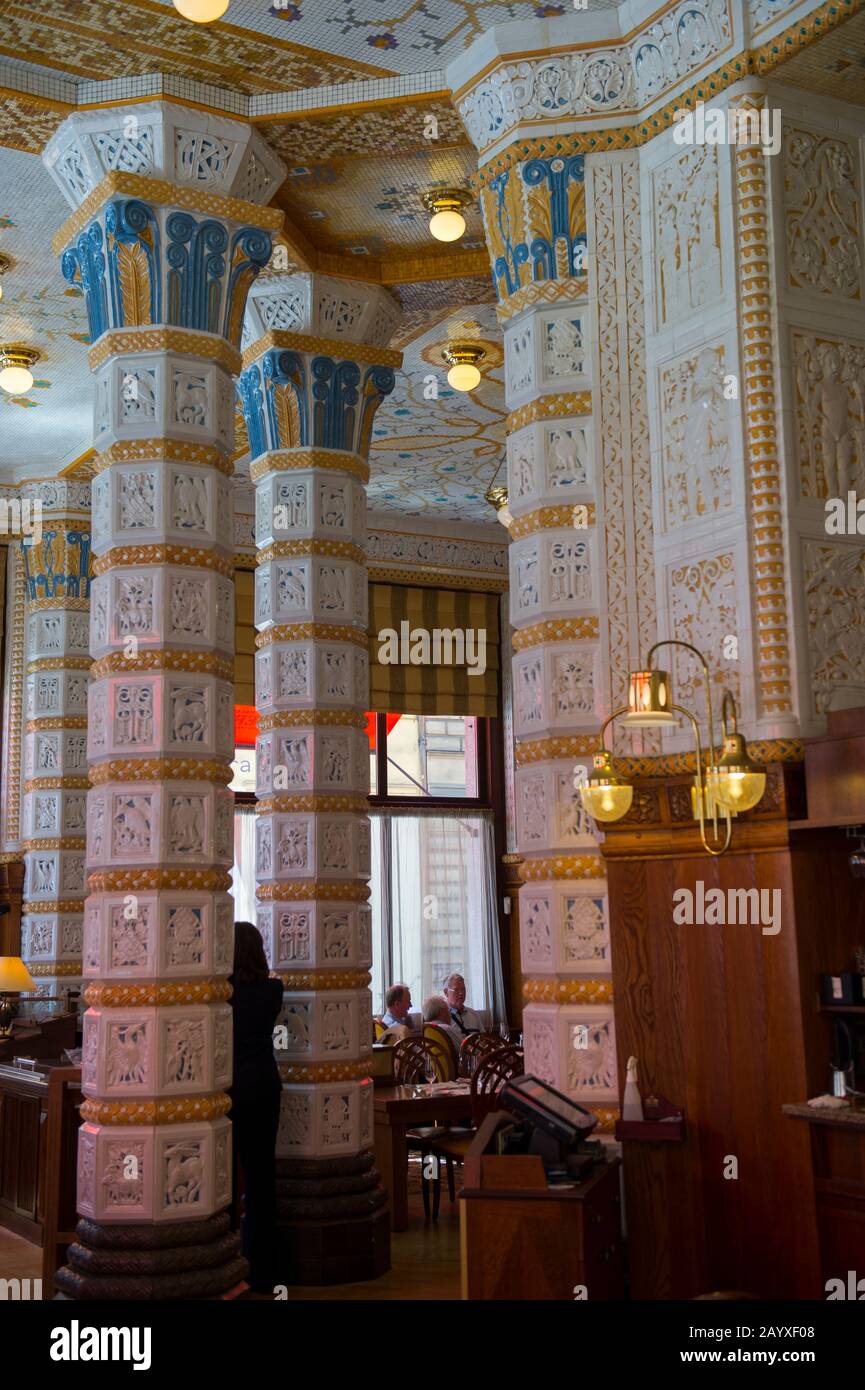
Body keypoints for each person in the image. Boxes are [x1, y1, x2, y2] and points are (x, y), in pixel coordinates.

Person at [229, 921, 283, 1296]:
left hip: (228, 1089)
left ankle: (227, 1263)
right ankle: (263, 1271)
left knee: (225, 1180)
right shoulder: (273, 990)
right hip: (265, 1085)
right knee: (262, 1177)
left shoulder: (222, 994)